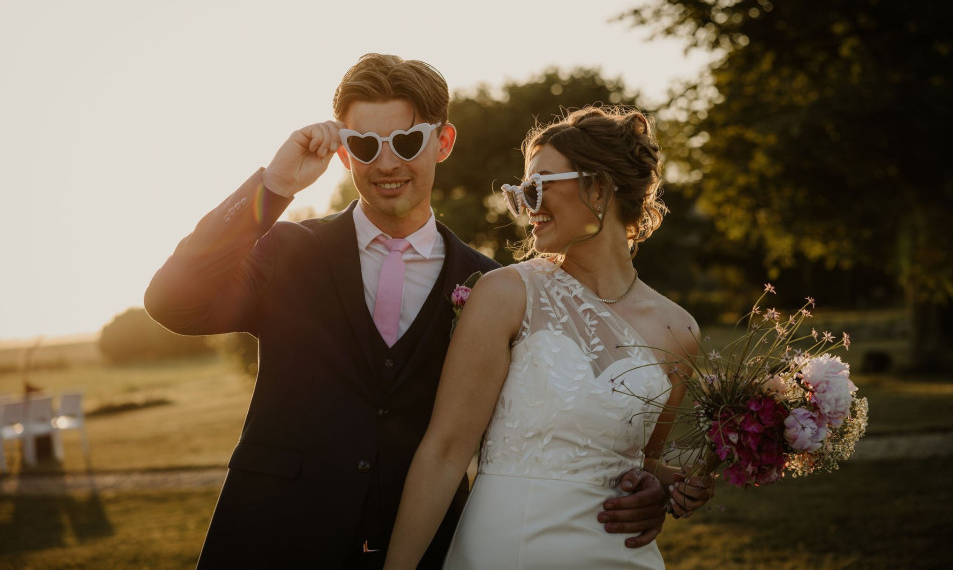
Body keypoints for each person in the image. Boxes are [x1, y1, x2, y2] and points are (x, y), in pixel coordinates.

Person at [144, 55, 671, 569]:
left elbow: (545, 418)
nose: (386, 163)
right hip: (271, 540)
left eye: (406, 141)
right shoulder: (288, 250)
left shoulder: (491, 283)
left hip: (424, 550)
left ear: (443, 142)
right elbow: (175, 303)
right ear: (345, 153)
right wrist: (274, 187)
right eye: (365, 145)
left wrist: (645, 481)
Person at [384, 105, 715, 569]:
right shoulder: (507, 294)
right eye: (520, 192)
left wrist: (673, 484)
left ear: (598, 187)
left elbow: (641, 461)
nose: (527, 206)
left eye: (538, 187)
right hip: (506, 551)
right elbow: (445, 451)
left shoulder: (678, 331)